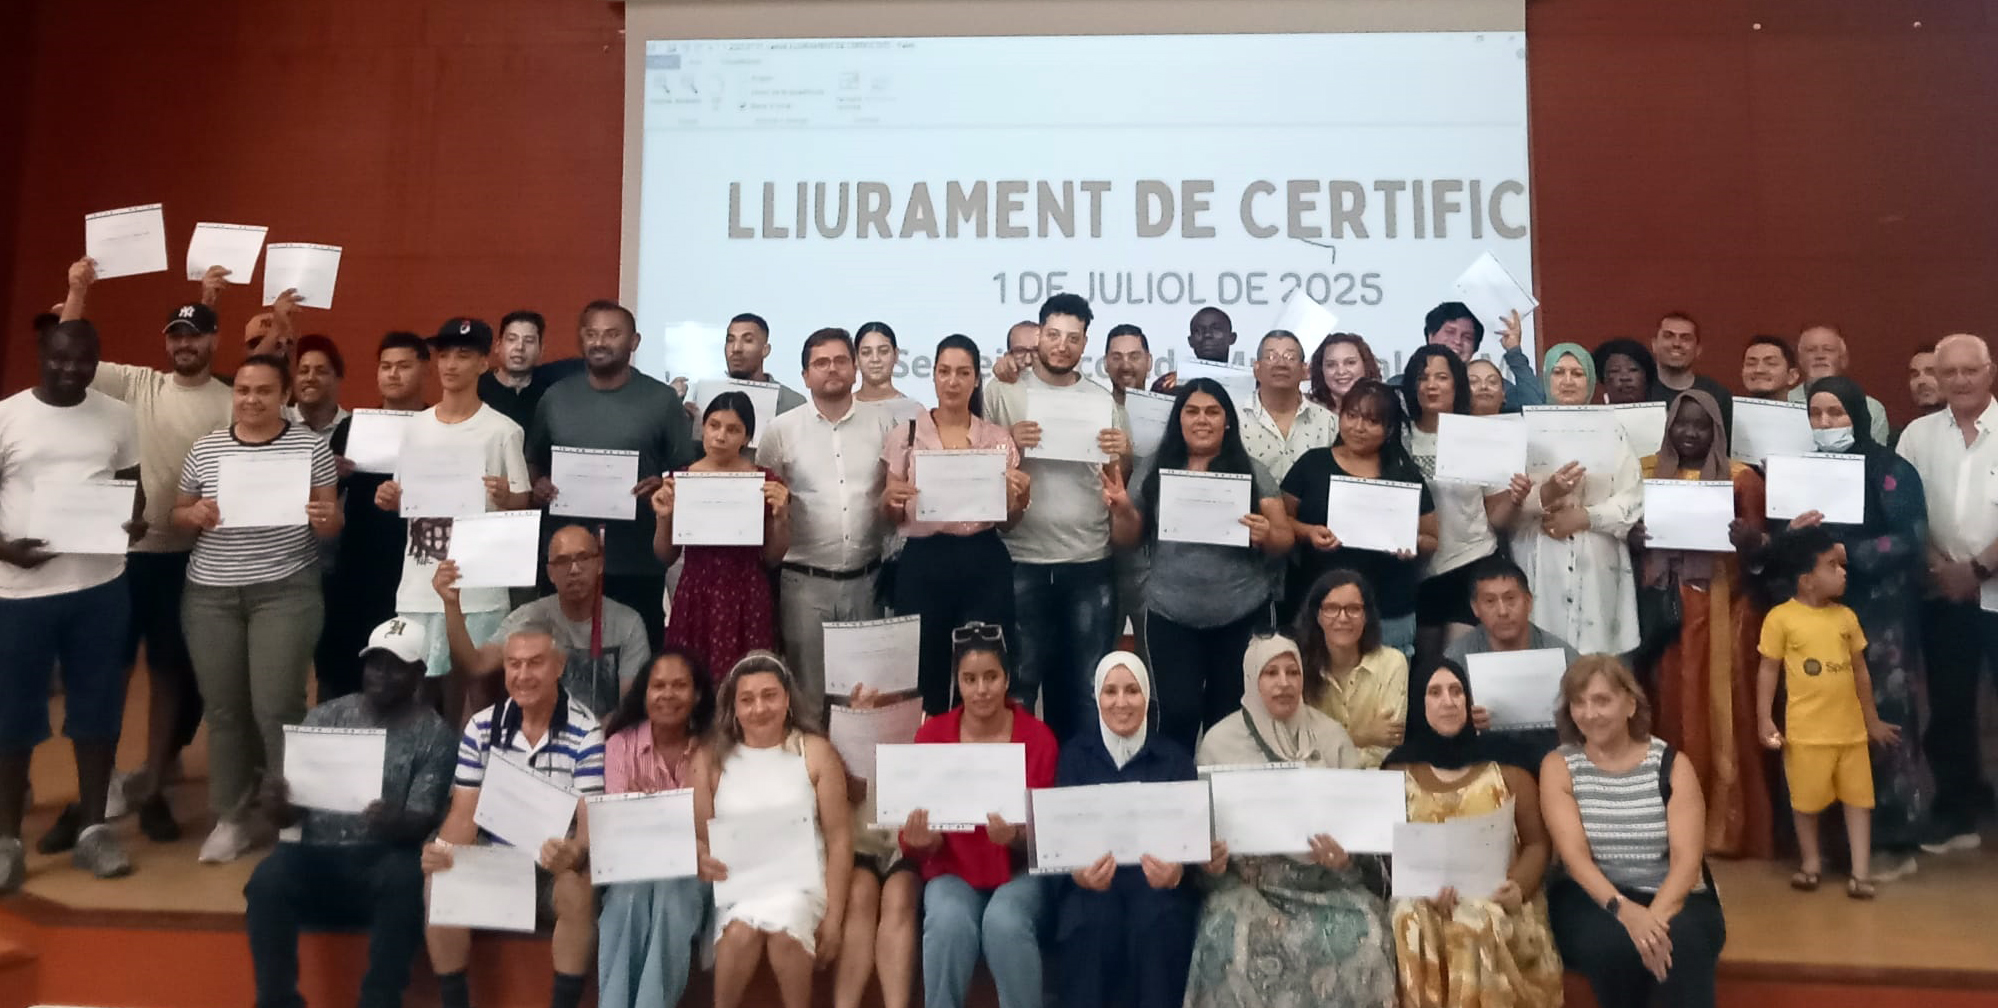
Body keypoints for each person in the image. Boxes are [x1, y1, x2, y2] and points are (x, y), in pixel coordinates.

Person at [73, 265, 234, 842]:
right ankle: (105, 780)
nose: (184, 344)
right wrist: (78, 291)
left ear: (213, 340)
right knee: (112, 669)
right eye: (176, 335)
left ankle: (156, 781)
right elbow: (72, 349)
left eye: (195, 335)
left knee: (168, 672)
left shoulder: (232, 400)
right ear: (166, 343)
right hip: (122, 555)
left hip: (188, 558)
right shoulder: (139, 384)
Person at [1760, 377, 1932, 876]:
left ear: (1857, 414)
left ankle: (1893, 841)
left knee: (1882, 720)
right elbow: (1777, 549)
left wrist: (1843, 554)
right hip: (1815, 620)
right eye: (1816, 414)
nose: (1826, 423)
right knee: (1823, 724)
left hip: (1880, 620)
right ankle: (1833, 846)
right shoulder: (1799, 470)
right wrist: (1792, 536)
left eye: (1835, 413)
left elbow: (1911, 537)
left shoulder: (1890, 469)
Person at [174, 353, 341, 864]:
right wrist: (194, 513)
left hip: (285, 591)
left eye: (264, 391)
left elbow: (331, 523)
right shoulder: (207, 448)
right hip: (211, 595)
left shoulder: (310, 447)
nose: (251, 400)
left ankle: (294, 814)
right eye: (243, 390)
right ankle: (232, 816)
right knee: (224, 709)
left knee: (277, 706)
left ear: (284, 396)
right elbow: (178, 512)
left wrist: (325, 518)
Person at [245, 617, 456, 1008]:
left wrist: (397, 821)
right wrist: (277, 806)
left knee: (404, 880)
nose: (382, 675)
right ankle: (276, 1000)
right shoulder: (325, 717)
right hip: (313, 852)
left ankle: (379, 1000)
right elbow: (289, 817)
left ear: (419, 674)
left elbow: (424, 818)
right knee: (266, 881)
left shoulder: (435, 735)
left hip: (382, 856)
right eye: (375, 664)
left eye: (396, 667)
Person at [0, 319, 143, 887]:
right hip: (20, 593)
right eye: (60, 358)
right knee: (12, 716)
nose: (70, 369)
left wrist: (132, 523)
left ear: (97, 360)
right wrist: (5, 550)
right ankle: (7, 840)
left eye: (83, 360)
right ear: (41, 353)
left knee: (98, 710)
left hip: (100, 587)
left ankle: (93, 830)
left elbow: (132, 488)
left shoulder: (118, 416)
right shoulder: (8, 415)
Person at [1185, 634, 1395, 1008]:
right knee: (1227, 935)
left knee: (1370, 932)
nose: (1283, 683)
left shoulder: (1331, 737)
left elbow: (1364, 836)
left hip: (1326, 883)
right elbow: (1204, 845)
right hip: (1251, 885)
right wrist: (1211, 864)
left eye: (1292, 672)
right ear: (1252, 679)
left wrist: (1345, 859)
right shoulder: (1219, 743)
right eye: (1271, 673)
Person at [422, 621, 603, 1008]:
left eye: (535, 663)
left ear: (559, 666)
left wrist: (572, 853)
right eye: (514, 664)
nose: (523, 675)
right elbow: (463, 815)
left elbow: (589, 830)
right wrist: (441, 848)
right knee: (439, 877)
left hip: (552, 867)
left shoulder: (586, 732)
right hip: (496, 861)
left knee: (578, 889)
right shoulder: (480, 727)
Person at [1106, 380, 1292, 748]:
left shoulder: (1253, 471)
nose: (1202, 420)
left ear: (1227, 421)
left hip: (1242, 614)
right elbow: (1127, 539)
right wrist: (1124, 510)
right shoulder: (1154, 469)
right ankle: (1178, 785)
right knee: (1176, 714)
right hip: (1171, 614)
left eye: (1212, 412)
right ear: (1179, 419)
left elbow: (1284, 539)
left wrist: (1267, 533)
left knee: (1232, 721)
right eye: (1191, 411)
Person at [983, 294, 1130, 740]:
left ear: (1085, 343)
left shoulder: (1101, 400)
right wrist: (1009, 441)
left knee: (1086, 690)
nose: (1062, 345)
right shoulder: (1003, 391)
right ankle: (1027, 780)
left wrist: (1120, 454)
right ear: (1039, 335)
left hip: (1088, 560)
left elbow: (1117, 479)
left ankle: (1077, 779)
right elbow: (977, 466)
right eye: (1053, 335)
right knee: (1020, 686)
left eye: (1073, 338)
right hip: (1021, 558)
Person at [1636, 389, 1775, 858]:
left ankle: (1724, 828)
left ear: (1718, 430)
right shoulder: (1651, 473)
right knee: (1671, 708)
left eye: (1701, 425)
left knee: (1721, 713)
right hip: (1667, 614)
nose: (1690, 433)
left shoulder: (1742, 480)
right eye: (1682, 423)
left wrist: (1750, 540)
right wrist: (1637, 539)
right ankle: (1669, 823)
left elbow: (1764, 555)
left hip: (1723, 610)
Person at [1541, 655, 1725, 1008]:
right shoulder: (1559, 765)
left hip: (1673, 894)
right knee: (1613, 948)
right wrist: (1624, 911)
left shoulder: (1672, 764)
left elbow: (1687, 861)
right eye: (1579, 702)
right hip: (1594, 897)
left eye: (1602, 700)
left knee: (1682, 945)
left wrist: (1652, 922)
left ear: (1630, 704)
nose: (1589, 714)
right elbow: (1574, 858)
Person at [375, 319, 532, 718]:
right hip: (419, 584)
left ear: (483, 363)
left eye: (463, 356)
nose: (450, 365)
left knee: (477, 703)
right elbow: (403, 496)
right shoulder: (415, 428)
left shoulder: (502, 431)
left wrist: (507, 496)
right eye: (444, 356)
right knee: (415, 698)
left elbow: (523, 501)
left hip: (479, 589)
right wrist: (390, 498)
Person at [1384, 657, 1564, 1008]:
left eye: (1456, 692)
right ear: (1419, 704)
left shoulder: (1507, 765)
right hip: (1425, 899)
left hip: (1499, 899)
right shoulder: (1398, 768)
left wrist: (1518, 887)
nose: (1448, 701)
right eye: (1435, 693)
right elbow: (1389, 849)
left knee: (1475, 920)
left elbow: (1536, 844)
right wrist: (1421, 888)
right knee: (1409, 916)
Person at [899, 624, 1057, 1008]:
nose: (981, 689)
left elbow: (1054, 838)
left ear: (1007, 679)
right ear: (958, 683)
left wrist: (1017, 837)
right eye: (970, 679)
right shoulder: (931, 736)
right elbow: (912, 834)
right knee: (947, 921)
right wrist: (923, 841)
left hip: (1020, 872)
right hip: (952, 868)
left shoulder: (1038, 738)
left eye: (991, 677)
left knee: (1004, 923)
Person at [527, 300, 695, 650]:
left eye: (612, 334)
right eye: (591, 334)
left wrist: (663, 486)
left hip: (637, 560)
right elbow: (533, 462)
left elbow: (684, 472)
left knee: (636, 661)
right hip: (567, 562)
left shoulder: (661, 399)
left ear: (634, 341)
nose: (600, 342)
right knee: (561, 660)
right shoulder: (555, 398)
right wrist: (537, 485)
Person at [881, 335, 1030, 715]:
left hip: (982, 560)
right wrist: (889, 502)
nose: (952, 381)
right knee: (923, 674)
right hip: (923, 562)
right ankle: (930, 743)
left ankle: (979, 745)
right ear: (932, 375)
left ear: (976, 380)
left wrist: (1020, 498)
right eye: (944, 371)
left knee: (983, 671)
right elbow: (892, 516)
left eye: (963, 373)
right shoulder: (906, 435)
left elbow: (1009, 523)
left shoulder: (996, 439)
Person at [694, 652, 853, 1008]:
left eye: (770, 696)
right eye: (747, 700)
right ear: (733, 708)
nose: (759, 708)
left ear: (788, 699)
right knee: (739, 933)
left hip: (801, 883)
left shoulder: (815, 752)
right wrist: (702, 857)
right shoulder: (711, 759)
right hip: (739, 885)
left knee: (786, 928)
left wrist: (834, 918)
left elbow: (840, 839)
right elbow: (702, 837)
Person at [1757, 527, 1901, 897]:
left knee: (1859, 802)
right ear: (1806, 580)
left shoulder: (1846, 618)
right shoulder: (1780, 619)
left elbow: (1861, 672)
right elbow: (1768, 670)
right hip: (1806, 735)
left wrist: (1871, 721)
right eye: (1832, 565)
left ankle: (1860, 872)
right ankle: (1810, 863)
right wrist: (1764, 719)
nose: (1843, 572)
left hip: (1851, 735)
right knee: (1805, 803)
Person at [756, 328, 895, 709]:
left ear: (855, 369)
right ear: (805, 376)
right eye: (821, 363)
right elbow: (764, 503)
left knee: (862, 700)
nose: (831, 369)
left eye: (840, 361)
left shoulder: (883, 424)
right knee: (808, 700)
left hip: (867, 582)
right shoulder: (781, 430)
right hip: (804, 585)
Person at [1896, 332, 1997, 853]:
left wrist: (1977, 568)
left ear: (1989, 372)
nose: (1959, 380)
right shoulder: (1917, 435)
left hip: (1992, 588)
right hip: (1943, 594)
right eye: (1949, 372)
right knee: (1949, 706)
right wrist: (1941, 566)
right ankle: (1956, 811)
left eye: (1969, 370)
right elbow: (1905, 509)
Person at [1052, 651, 1199, 1008]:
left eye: (1132, 691)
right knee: (1090, 922)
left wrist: (1177, 872)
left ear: (1147, 696)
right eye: (1110, 691)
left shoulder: (1175, 760)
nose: (1121, 702)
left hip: (1156, 887)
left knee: (1160, 921)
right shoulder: (1074, 757)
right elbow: (1061, 841)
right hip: (1093, 886)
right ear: (1097, 697)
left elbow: (1191, 846)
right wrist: (1078, 874)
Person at [596, 648, 715, 1008]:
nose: (667, 694)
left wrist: (651, 812)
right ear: (644, 693)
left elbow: (709, 833)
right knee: (628, 897)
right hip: (634, 866)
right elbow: (618, 829)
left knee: (670, 896)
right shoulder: (620, 744)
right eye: (658, 685)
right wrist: (662, 820)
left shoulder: (712, 748)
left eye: (679, 685)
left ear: (697, 695)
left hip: (694, 870)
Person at [315, 332, 429, 702]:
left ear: (425, 370)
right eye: (385, 366)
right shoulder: (352, 427)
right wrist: (333, 473)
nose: (393, 374)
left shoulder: (438, 426)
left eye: (403, 366)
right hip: (357, 565)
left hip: (415, 565)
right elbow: (326, 497)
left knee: (409, 668)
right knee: (343, 668)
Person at [436, 524, 652, 720]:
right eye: (563, 561)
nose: (574, 569)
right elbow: (476, 665)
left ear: (599, 564)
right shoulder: (528, 617)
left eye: (583, 558)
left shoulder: (628, 623)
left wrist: (591, 738)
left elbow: (629, 707)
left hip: (607, 737)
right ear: (550, 573)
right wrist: (451, 604)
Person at [1282, 379, 1436, 650]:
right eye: (1351, 416)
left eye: (1372, 421)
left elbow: (1432, 538)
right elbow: (1282, 521)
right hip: (1321, 606)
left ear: (1389, 429)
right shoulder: (1313, 464)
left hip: (1389, 609)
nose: (1359, 427)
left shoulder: (1404, 474)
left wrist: (1413, 543)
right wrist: (1308, 532)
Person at [1511, 344, 1641, 656]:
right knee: (1543, 651)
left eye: (1577, 373)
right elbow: (1506, 502)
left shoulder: (1612, 431)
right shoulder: (1524, 431)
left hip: (1597, 554)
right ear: (1546, 379)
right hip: (1541, 552)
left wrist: (1586, 517)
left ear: (1591, 381)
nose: (1567, 381)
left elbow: (1633, 497)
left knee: (1597, 660)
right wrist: (1547, 494)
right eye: (1558, 372)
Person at [1402, 345, 1529, 661]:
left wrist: (1515, 499)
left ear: (1457, 384)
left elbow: (1496, 518)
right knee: (1425, 669)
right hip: (1418, 570)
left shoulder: (1477, 435)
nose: (1431, 385)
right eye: (1423, 377)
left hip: (1472, 563)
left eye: (1441, 377)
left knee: (1459, 666)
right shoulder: (1399, 437)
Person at [652, 392, 790, 681]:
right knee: (692, 684)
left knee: (746, 683)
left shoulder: (765, 482)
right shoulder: (679, 481)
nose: (720, 436)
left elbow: (772, 557)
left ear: (747, 437)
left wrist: (781, 518)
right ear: (702, 427)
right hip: (695, 595)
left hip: (748, 595)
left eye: (733, 429)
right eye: (713, 425)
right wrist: (664, 517)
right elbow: (666, 555)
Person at [1444, 554, 1581, 766]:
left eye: (1510, 599)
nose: (1502, 611)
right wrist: (1462, 719)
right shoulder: (1455, 659)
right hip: (1480, 758)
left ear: (1528, 602)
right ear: (1475, 608)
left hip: (1550, 757)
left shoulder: (1564, 656)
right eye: (1490, 601)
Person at [831, 685, 920, 1008]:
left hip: (905, 845)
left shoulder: (925, 725)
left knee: (900, 894)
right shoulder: (840, 730)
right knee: (859, 894)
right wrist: (858, 734)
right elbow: (843, 795)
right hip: (862, 843)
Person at [1295, 569, 1408, 768]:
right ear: (1318, 616)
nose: (1343, 618)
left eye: (1353, 609)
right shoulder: (1297, 666)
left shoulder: (1393, 663)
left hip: (1375, 778)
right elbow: (1299, 749)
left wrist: (1328, 749)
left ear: (1366, 616)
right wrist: (1363, 736)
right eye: (1332, 608)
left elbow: (1387, 748)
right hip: (1316, 781)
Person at [1240, 330, 1337, 481]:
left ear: (1304, 370)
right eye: (1271, 357)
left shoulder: (1329, 423)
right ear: (1256, 369)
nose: (1281, 364)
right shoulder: (1233, 418)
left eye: (1290, 357)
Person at [1408, 302, 1542, 411]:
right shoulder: (1404, 385)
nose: (1458, 341)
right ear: (1430, 336)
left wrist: (1514, 351)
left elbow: (1535, 409)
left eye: (1467, 337)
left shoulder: (1491, 389)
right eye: (1450, 332)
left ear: (1475, 347)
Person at [1787, 326, 1889, 444]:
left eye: (1828, 350)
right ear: (1800, 360)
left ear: (1843, 360)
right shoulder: (1784, 402)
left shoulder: (1872, 408)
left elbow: (1875, 454)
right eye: (1811, 350)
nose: (1820, 356)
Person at [479, 310, 563, 431]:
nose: (519, 347)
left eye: (529, 341)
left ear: (541, 350)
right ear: (498, 346)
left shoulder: (551, 394)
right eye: (511, 339)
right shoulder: (475, 389)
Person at [1646, 312, 1733, 428]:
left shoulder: (1718, 396)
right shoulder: (1639, 392)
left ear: (1698, 350)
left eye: (1686, 338)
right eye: (1668, 336)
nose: (1676, 344)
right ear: (1654, 345)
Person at [722, 312, 809, 415]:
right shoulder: (708, 396)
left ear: (765, 350)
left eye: (748, 340)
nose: (736, 348)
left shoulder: (793, 404)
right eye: (730, 340)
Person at [1147, 306, 1238, 392]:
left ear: (1232, 338)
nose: (1207, 335)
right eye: (1199, 331)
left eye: (1216, 329)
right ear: (1190, 341)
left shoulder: (1245, 384)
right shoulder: (1167, 384)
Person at [853, 321, 923, 424]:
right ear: (856, 358)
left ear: (896, 355)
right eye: (866, 353)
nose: (875, 359)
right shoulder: (842, 409)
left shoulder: (912, 411)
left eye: (883, 351)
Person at [286, 335, 348, 442]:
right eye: (304, 371)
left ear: (338, 378)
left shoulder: (353, 427)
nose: (310, 378)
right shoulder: (278, 421)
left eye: (320, 371)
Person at [1307, 332, 1381, 416]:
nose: (1341, 371)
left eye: (1350, 362)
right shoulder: (1307, 410)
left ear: (1365, 364)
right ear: (1321, 370)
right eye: (1331, 365)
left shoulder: (1386, 408)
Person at [1898, 341, 1943, 445]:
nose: (1921, 381)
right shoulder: (1906, 436)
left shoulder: (1972, 431)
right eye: (1915, 375)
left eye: (1931, 372)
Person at [1593, 338, 1657, 406]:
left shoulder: (1663, 411)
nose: (1625, 377)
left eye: (1633, 370)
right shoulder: (1592, 412)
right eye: (1615, 371)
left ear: (1646, 377)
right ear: (1603, 379)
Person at [1739, 335, 1800, 401]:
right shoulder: (1733, 407)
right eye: (1751, 364)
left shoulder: (1805, 407)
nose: (1759, 370)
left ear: (1792, 376)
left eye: (1771, 363)